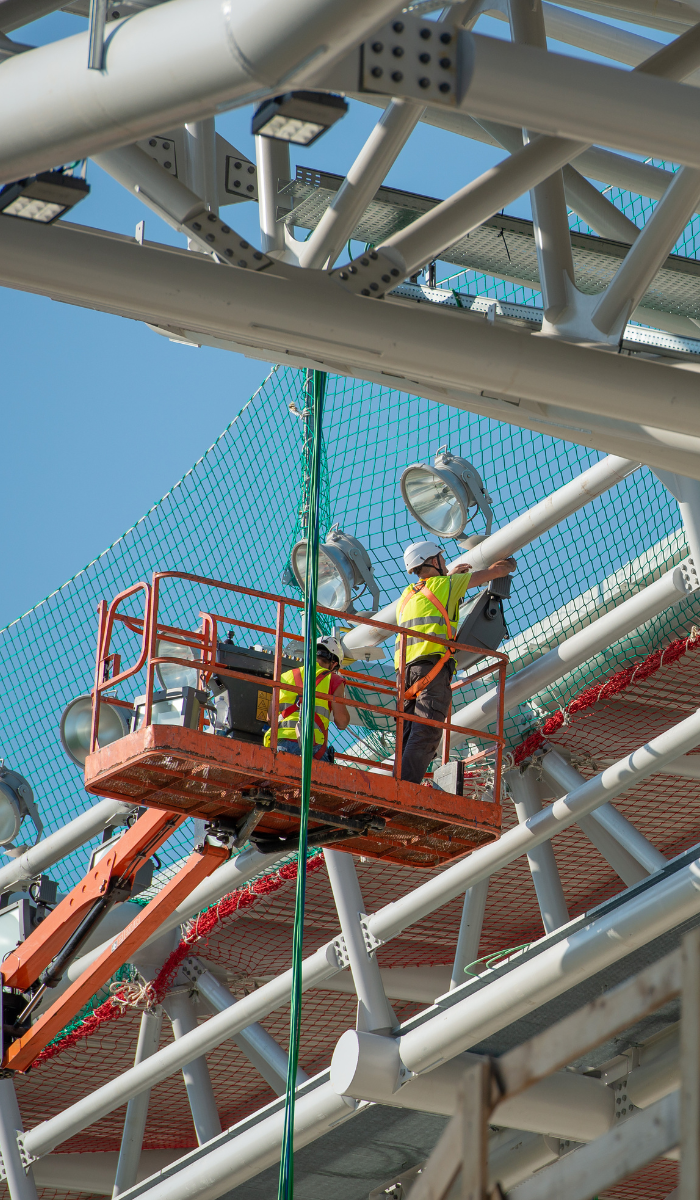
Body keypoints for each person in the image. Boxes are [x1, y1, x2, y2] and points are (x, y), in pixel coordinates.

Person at [395, 540, 517, 784]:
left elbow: (434, 597)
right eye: (440, 558)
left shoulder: (407, 596)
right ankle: (403, 788)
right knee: (427, 733)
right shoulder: (446, 585)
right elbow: (497, 571)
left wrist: (451, 577)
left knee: (407, 736)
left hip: (404, 677)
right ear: (433, 561)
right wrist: (508, 562)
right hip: (432, 669)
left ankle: (395, 782)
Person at [264, 635, 349, 762]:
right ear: (334, 664)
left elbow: (270, 718)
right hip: (311, 747)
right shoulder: (334, 679)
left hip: (279, 744)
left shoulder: (285, 676)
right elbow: (341, 722)